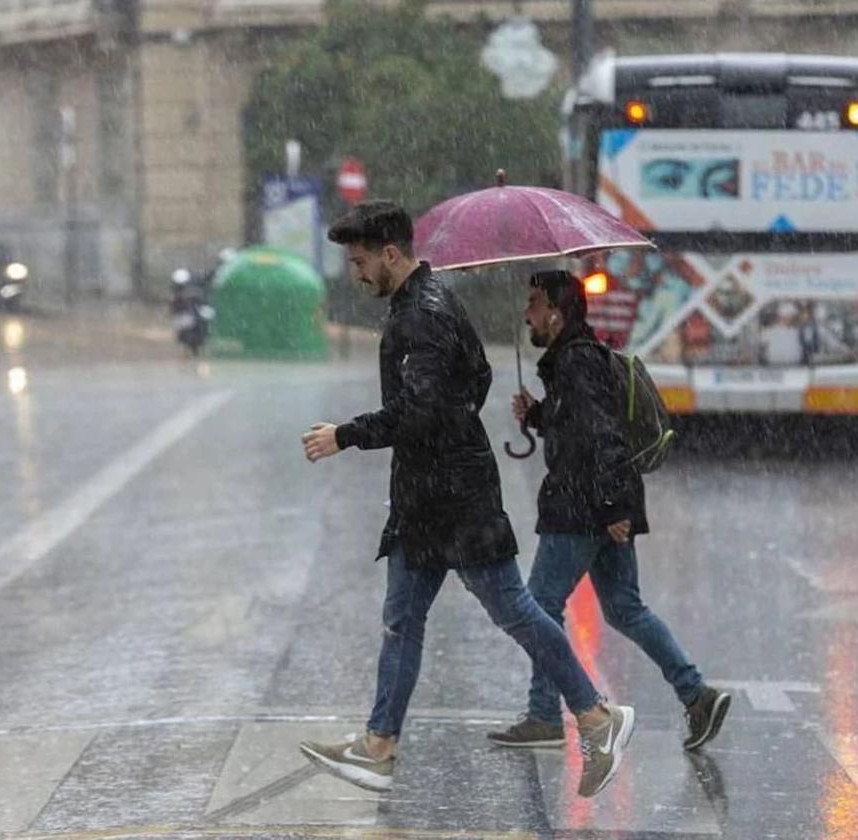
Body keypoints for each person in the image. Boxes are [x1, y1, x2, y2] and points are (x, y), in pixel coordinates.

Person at [298, 203, 635, 799]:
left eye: (360, 261)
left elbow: (421, 410)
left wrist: (344, 435)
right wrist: (453, 423)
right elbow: (476, 376)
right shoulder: (429, 303)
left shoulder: (419, 318)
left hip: (454, 500)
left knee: (513, 611)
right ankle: (378, 745)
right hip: (431, 495)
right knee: (403, 620)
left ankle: (594, 716)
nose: (355, 273)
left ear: (391, 255)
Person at [487, 270, 730, 752]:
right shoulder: (572, 362)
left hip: (583, 505)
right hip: (600, 502)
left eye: (534, 303)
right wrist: (538, 414)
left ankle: (543, 715)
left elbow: (604, 437)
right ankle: (697, 695)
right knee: (624, 608)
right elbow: (581, 427)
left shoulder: (576, 364)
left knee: (537, 606)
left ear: (556, 313)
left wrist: (613, 507)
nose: (527, 313)